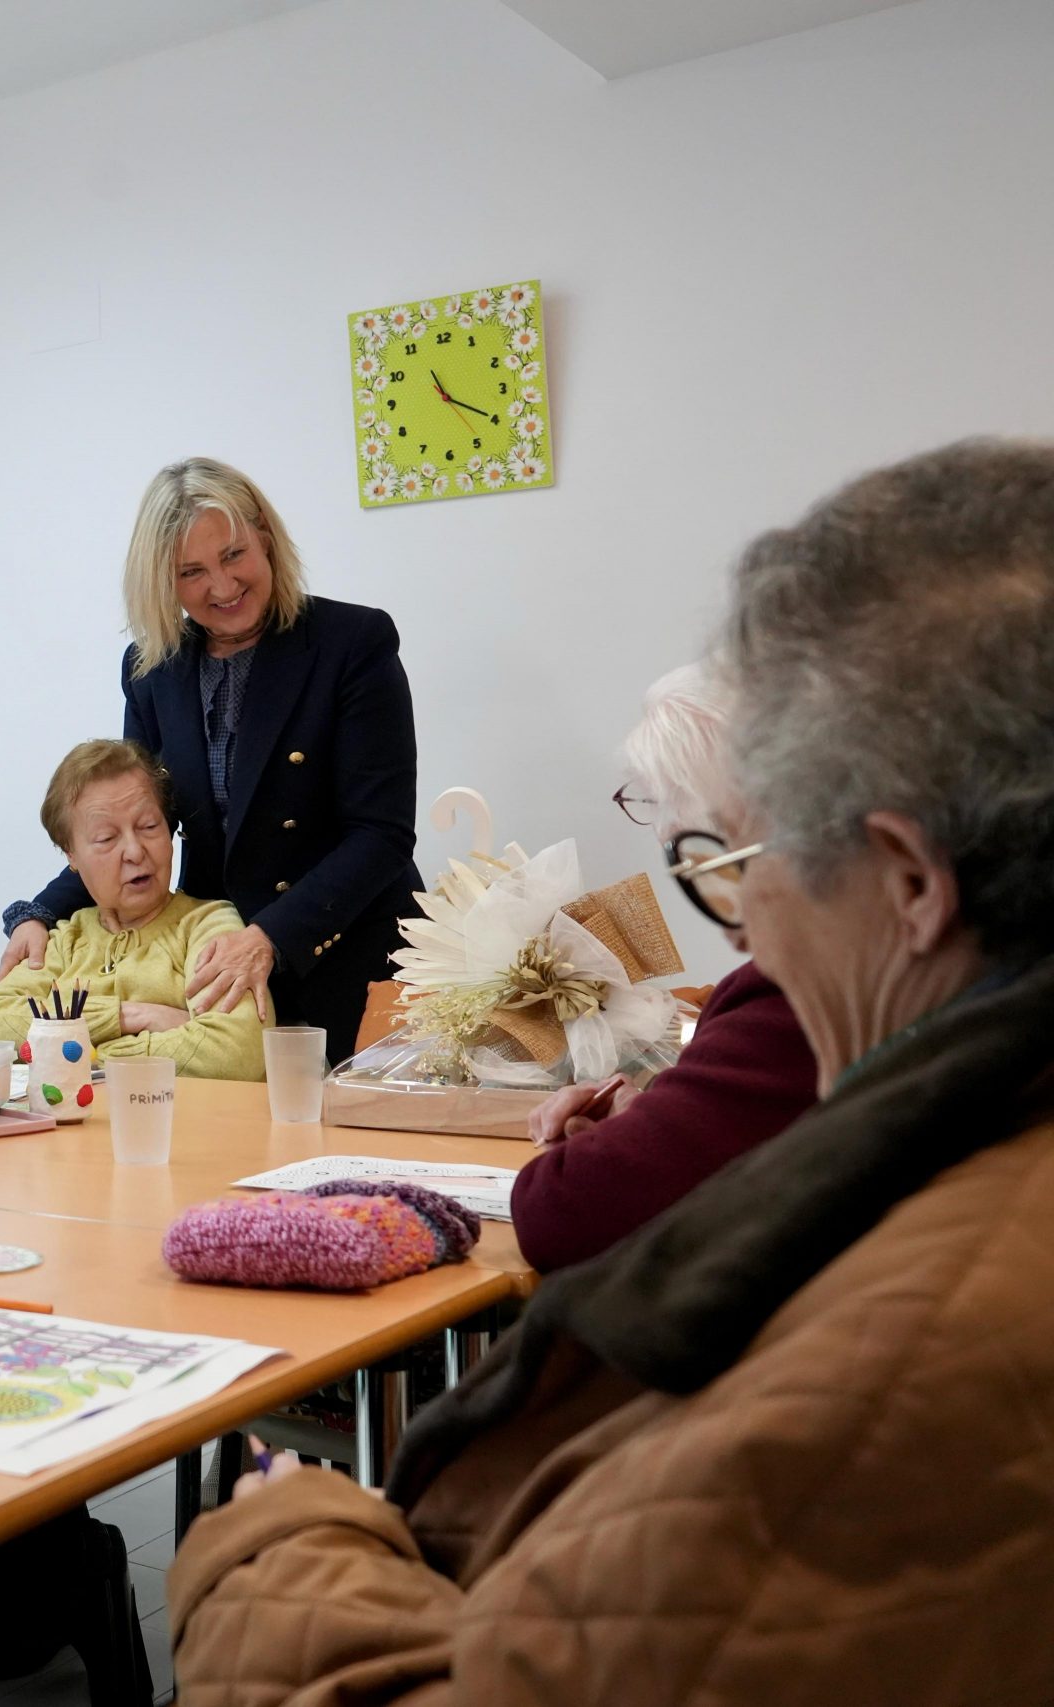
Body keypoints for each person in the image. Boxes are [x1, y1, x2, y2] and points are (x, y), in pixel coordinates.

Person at [166, 439, 1054, 1704]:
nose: (737, 933)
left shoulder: (875, 1400)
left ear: (909, 883)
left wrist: (279, 1534)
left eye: (729, 858)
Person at [0, 459, 418, 1063]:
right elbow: (132, 820)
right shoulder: (152, 668)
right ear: (163, 581)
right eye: (191, 571)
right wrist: (39, 915)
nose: (220, 586)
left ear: (264, 537)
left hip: (348, 955)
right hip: (211, 973)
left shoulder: (352, 643)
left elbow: (381, 834)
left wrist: (270, 935)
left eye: (233, 555)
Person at [509, 664, 820, 1271]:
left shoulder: (795, 991)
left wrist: (639, 1130)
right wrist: (648, 1114)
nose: (734, 935)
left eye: (704, 867)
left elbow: (563, 1210)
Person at [0, 739, 267, 1078]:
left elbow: (236, 1054)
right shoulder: (66, 938)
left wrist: (78, 1053)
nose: (134, 851)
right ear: (71, 855)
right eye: (106, 839)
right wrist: (132, 1016)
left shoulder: (208, 925)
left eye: (149, 827)